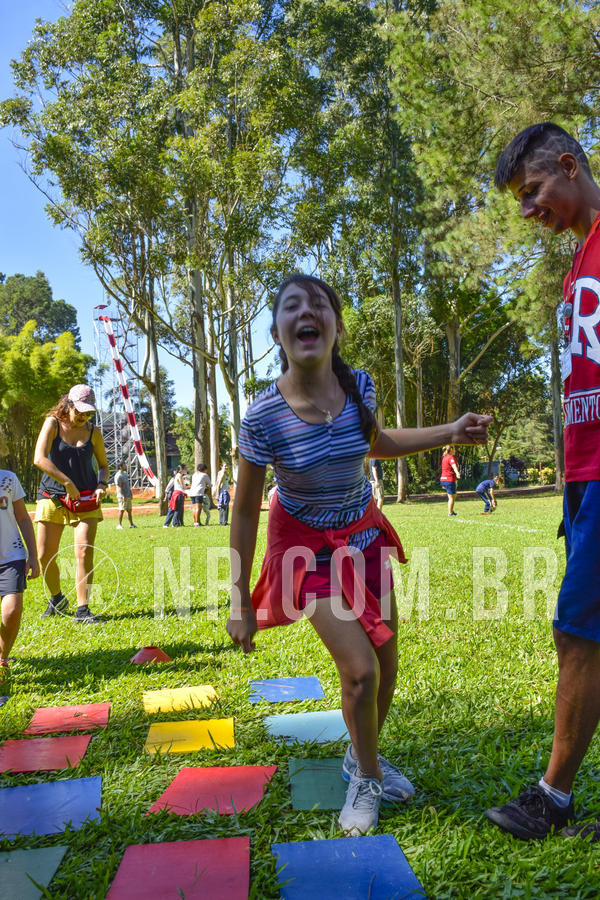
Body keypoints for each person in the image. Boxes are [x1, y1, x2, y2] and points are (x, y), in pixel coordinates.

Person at [226, 274, 491, 835]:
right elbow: (245, 509)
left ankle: (358, 757)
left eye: (319, 305)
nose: (307, 313)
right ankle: (367, 778)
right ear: (277, 331)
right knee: (361, 671)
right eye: (292, 306)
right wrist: (237, 598)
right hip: (303, 550)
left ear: (335, 327)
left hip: (363, 537)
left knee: (388, 662)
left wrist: (451, 432)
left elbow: (376, 442)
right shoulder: (262, 416)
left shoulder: (360, 387)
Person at [487, 122, 600, 842]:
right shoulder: (579, 261)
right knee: (579, 637)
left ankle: (551, 800)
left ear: (568, 165)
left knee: (578, 633)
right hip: (586, 473)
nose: (530, 212)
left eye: (533, 193)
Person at [33, 384, 108, 624]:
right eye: (80, 411)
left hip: (85, 498)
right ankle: (57, 598)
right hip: (52, 495)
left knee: (84, 551)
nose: (84, 417)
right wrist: (66, 482)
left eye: (88, 413)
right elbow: (39, 458)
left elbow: (104, 466)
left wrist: (101, 485)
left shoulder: (92, 431)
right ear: (69, 405)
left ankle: (83, 609)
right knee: (45, 555)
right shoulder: (53, 423)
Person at [0, 433, 40, 682]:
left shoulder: (8, 479)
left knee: (12, 609)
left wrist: (33, 555)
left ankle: (2, 658)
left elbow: (23, 518)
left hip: (11, 554)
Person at [440, 445, 460, 516]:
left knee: (453, 496)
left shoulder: (444, 457)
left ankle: (451, 511)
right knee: (451, 497)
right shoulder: (450, 457)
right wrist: (457, 473)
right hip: (449, 479)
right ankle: (450, 513)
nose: (455, 450)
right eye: (454, 449)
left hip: (443, 479)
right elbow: (454, 466)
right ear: (451, 449)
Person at [114, 461, 136, 529]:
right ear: (120, 467)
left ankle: (131, 524)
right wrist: (123, 496)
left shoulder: (125, 474)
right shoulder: (118, 476)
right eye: (124, 465)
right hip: (122, 496)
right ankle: (119, 525)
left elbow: (127, 485)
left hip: (128, 494)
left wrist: (130, 493)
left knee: (129, 510)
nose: (126, 466)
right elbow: (119, 487)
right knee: (122, 510)